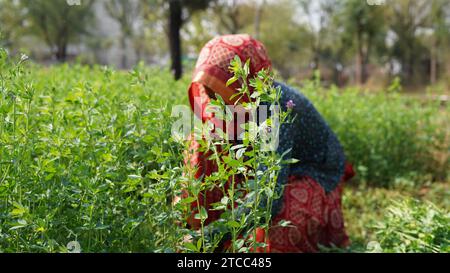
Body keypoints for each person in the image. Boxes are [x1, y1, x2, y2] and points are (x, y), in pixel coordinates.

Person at [183, 34, 355, 252]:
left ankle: (217, 237)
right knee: (202, 144)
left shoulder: (276, 108)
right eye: (210, 90)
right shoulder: (228, 103)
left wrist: (212, 234)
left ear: (246, 83)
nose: (215, 103)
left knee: (278, 231)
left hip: (309, 169)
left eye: (223, 92)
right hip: (264, 165)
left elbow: (268, 199)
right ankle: (201, 228)